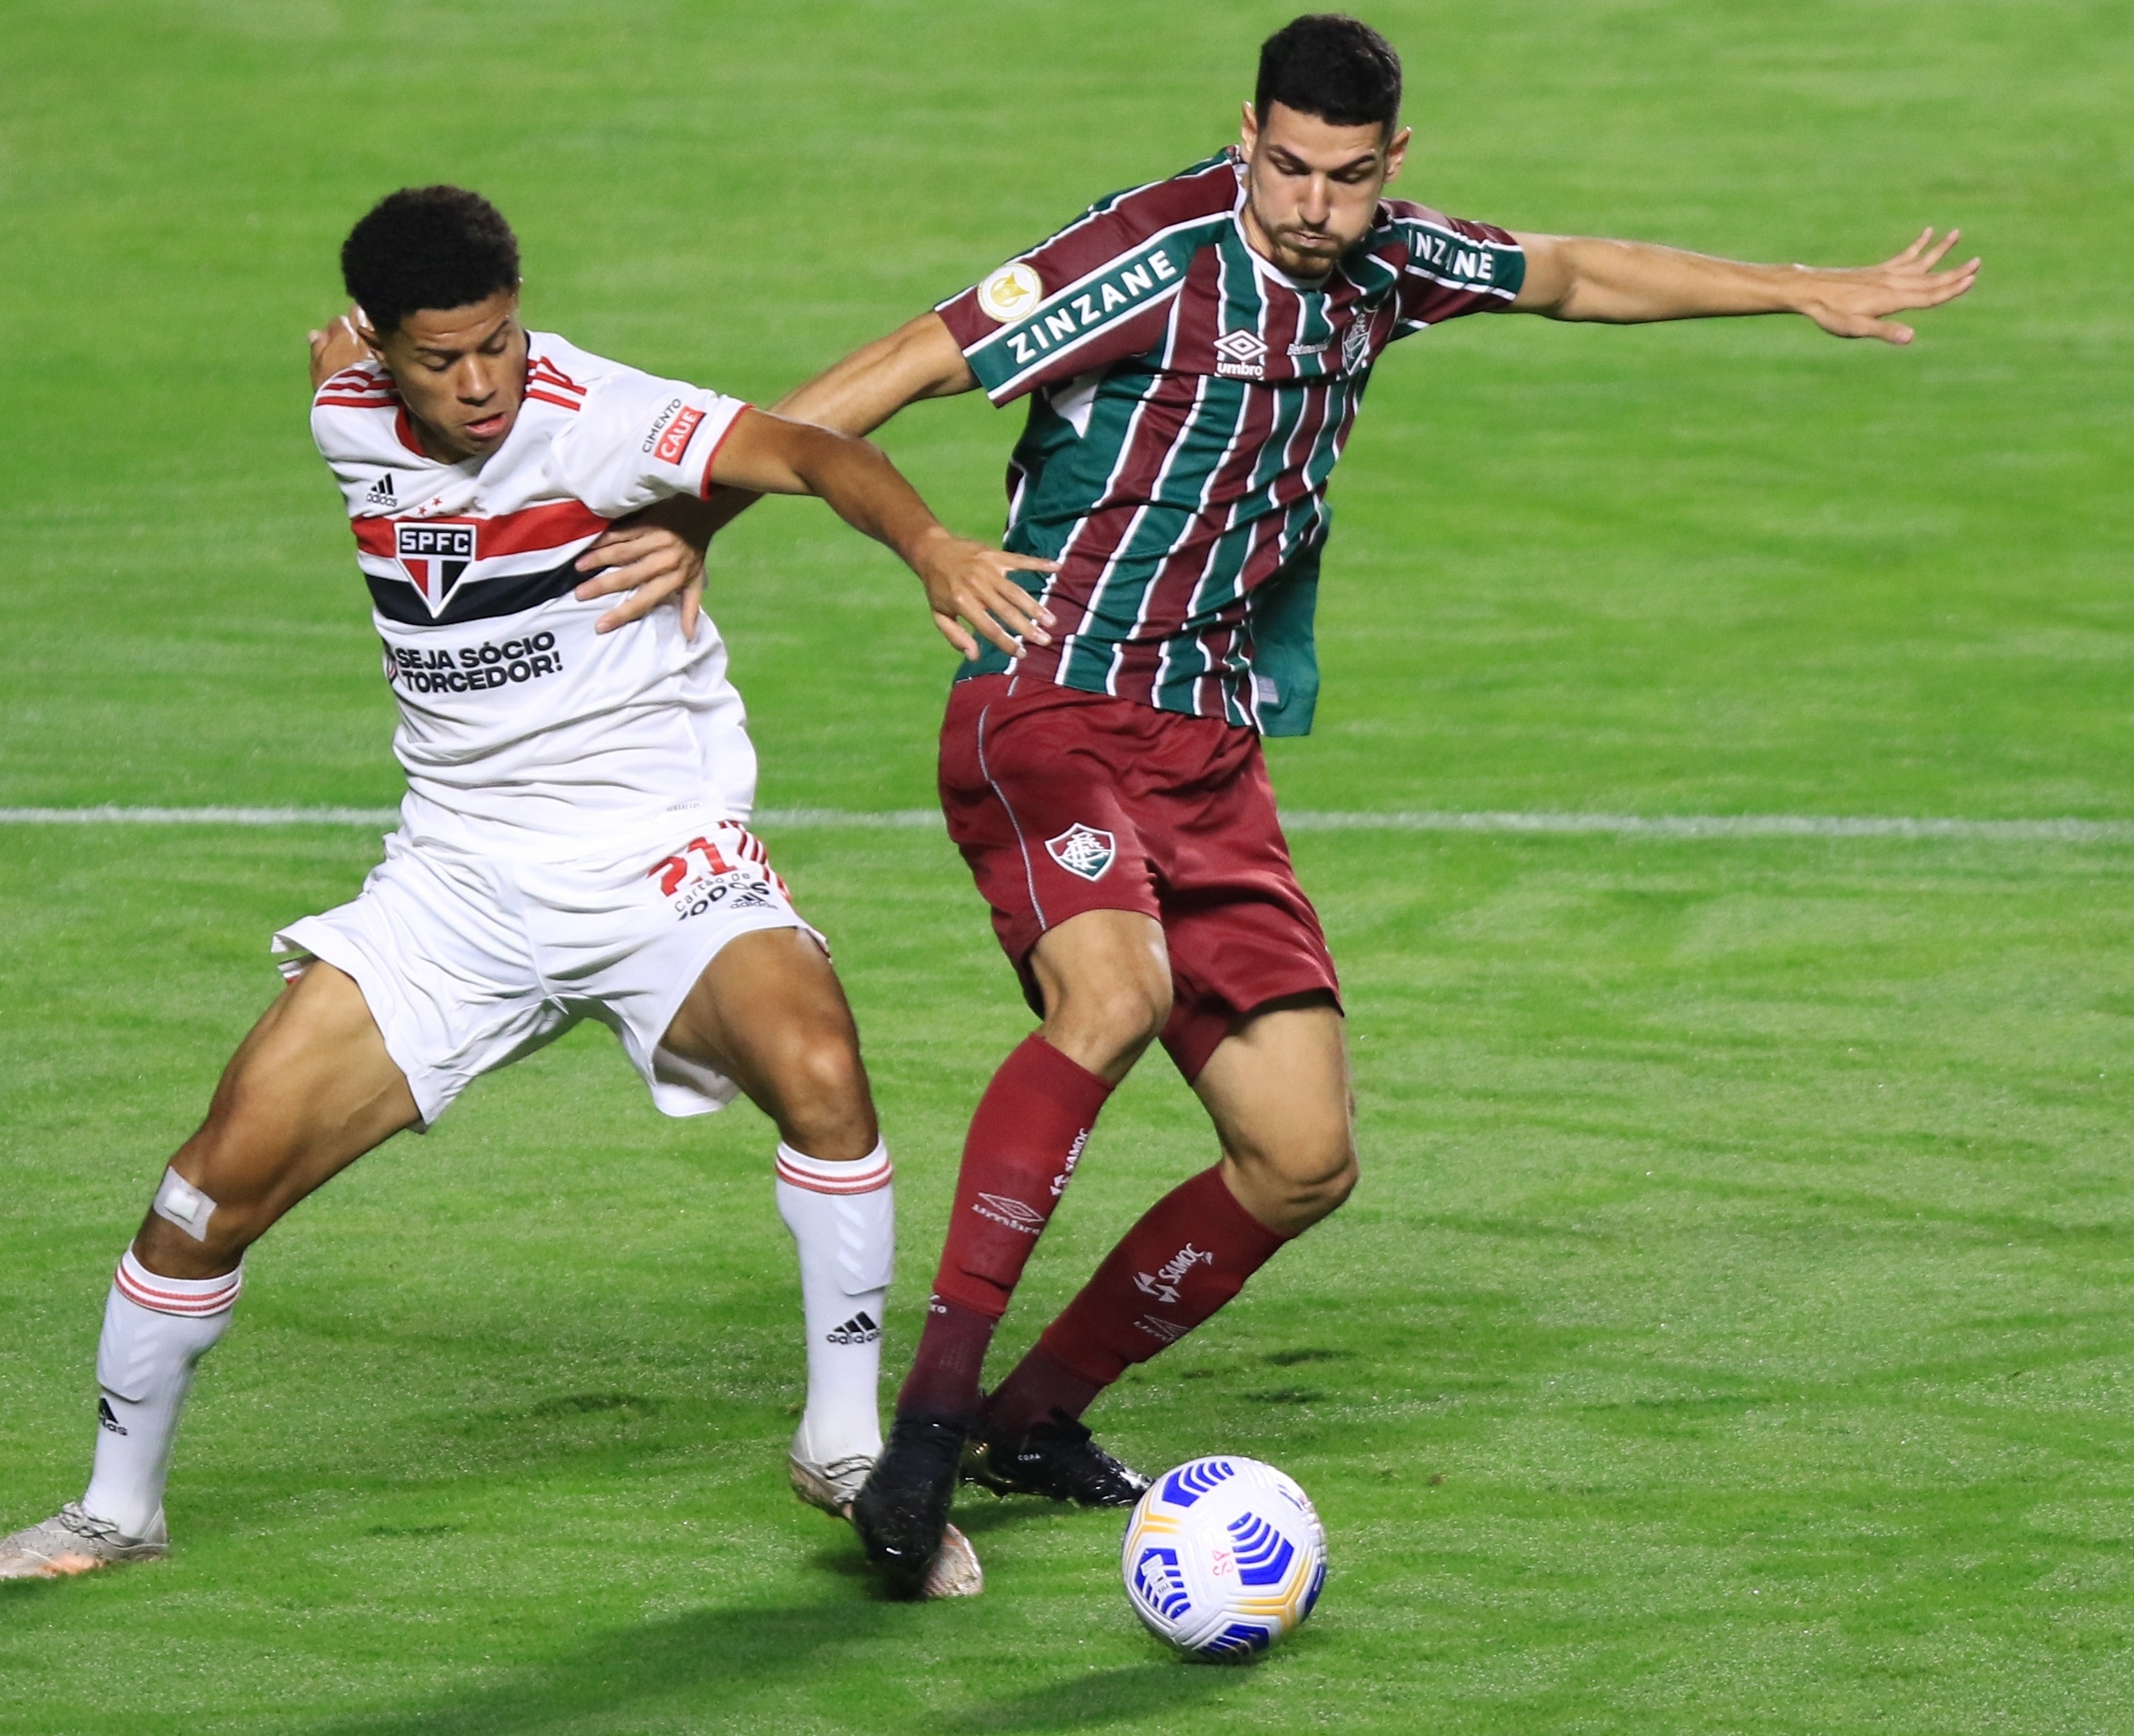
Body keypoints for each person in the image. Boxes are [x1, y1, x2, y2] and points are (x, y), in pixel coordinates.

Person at [568, 11, 1980, 1595]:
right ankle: (918, 1430)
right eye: (1289, 168)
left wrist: (1791, 286)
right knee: (1112, 994)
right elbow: (890, 371)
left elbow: (1574, 272)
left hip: (1207, 750)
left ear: (1392, 166)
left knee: (1301, 1154)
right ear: (1245, 133)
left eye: (1349, 178)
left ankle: (1034, 1418)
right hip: (1046, 702)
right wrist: (703, 517)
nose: (1314, 206)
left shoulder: (1388, 263)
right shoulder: (1146, 258)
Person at [0, 185, 1058, 1593]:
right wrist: (352, 372)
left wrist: (928, 546)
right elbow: (344, 386)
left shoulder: (595, 410)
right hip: (457, 882)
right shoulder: (345, 409)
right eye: (440, 358)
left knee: (822, 1066)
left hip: (657, 854)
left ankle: (841, 1447)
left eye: (499, 344)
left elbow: (811, 449)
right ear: (381, 349)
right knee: (207, 1185)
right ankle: (114, 1509)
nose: (480, 384)